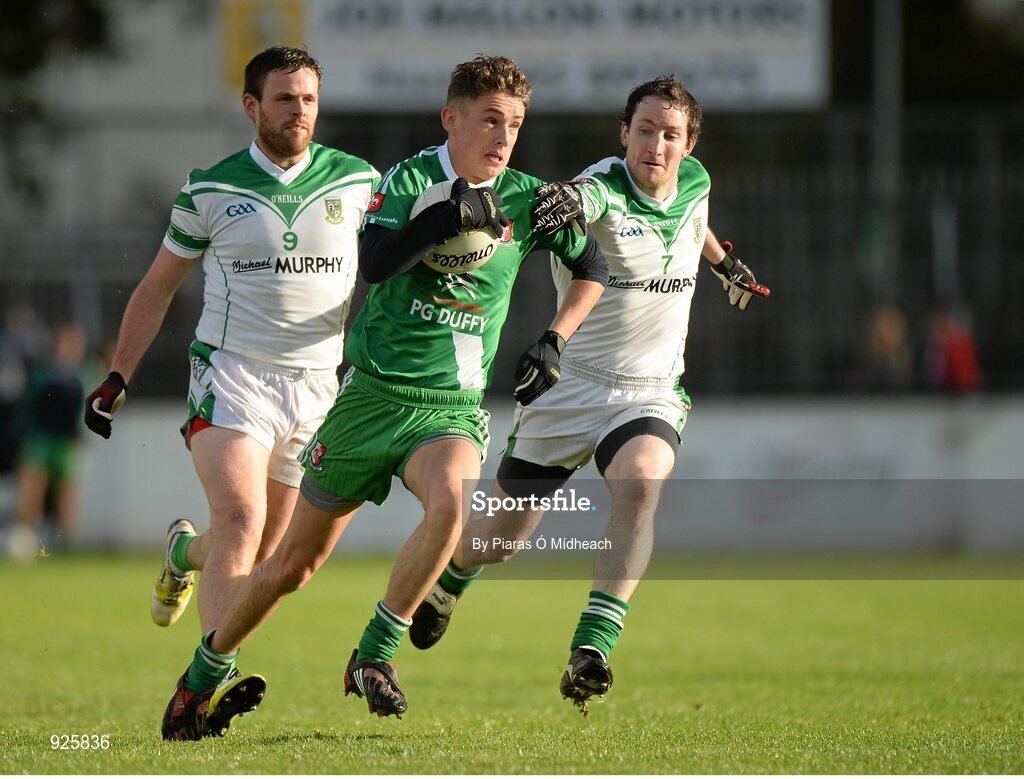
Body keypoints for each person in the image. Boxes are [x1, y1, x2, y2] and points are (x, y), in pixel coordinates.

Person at [158, 54, 609, 739]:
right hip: (369, 398)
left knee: (456, 504)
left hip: (451, 406)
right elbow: (375, 260)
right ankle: (200, 678)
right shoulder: (412, 178)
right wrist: (443, 218)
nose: (503, 136)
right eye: (489, 119)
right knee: (289, 566)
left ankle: (375, 652)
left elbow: (593, 266)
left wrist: (555, 338)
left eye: (514, 123)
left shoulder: (526, 195)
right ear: (450, 118)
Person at [408, 75, 769, 716]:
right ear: (622, 134)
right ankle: (453, 579)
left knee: (641, 481)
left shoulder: (697, 182)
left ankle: (592, 647)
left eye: (671, 135)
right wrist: (567, 203)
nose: (656, 145)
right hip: (568, 385)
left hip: (650, 390)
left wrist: (720, 262)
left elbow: (696, 222)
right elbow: (581, 199)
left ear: (687, 146)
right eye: (645, 131)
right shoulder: (599, 187)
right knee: (502, 539)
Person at [83, 46, 379, 736]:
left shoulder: (361, 181)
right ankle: (204, 689)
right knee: (244, 522)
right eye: (284, 98)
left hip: (317, 387)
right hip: (232, 374)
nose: (298, 110)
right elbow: (158, 288)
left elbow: (401, 255)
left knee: (267, 555)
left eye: (308, 98)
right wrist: (117, 374)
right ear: (252, 107)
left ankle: (182, 552)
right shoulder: (209, 188)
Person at [8, 323, 88, 559]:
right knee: (31, 492)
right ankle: (24, 544)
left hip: (67, 443)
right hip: (40, 439)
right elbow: (28, 406)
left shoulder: (85, 373)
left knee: (67, 496)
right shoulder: (43, 372)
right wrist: (21, 435)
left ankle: (66, 548)